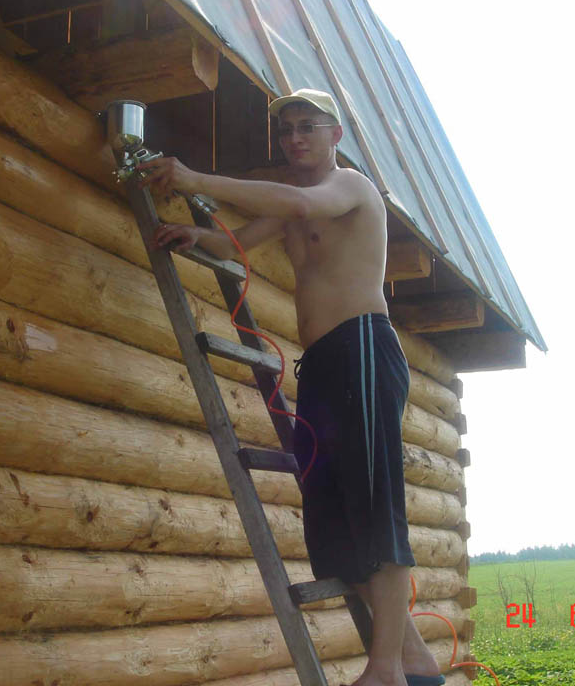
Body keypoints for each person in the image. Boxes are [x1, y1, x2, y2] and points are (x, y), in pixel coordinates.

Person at [140, 88, 444, 686]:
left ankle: (385, 669)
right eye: (286, 130)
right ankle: (415, 660)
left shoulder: (349, 187)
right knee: (333, 527)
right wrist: (196, 237)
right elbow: (238, 242)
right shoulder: (293, 205)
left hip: (362, 351)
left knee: (374, 511)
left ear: (335, 136)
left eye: (308, 126)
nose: (294, 138)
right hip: (324, 366)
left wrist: (194, 178)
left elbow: (300, 204)